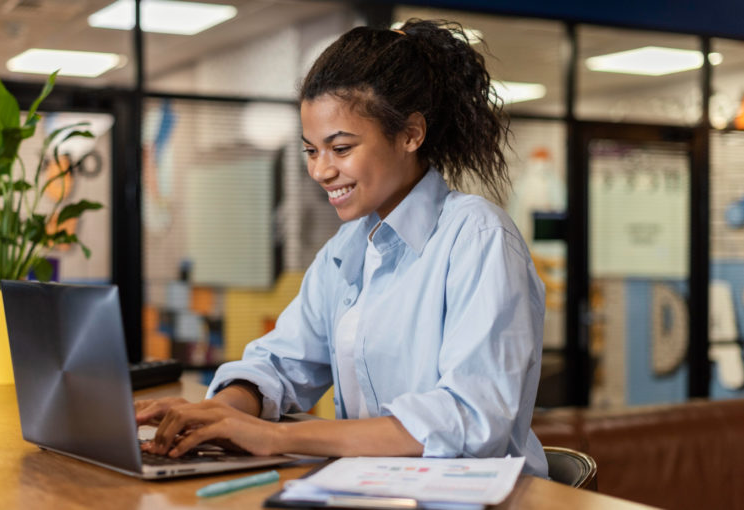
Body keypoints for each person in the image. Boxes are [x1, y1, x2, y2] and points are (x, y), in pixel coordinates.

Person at [136, 18, 549, 477]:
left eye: (341, 147)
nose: (321, 171)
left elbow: (468, 420)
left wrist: (276, 437)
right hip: (376, 488)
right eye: (311, 150)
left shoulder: (478, 238)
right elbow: (281, 361)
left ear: (411, 134)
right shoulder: (348, 248)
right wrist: (226, 411)